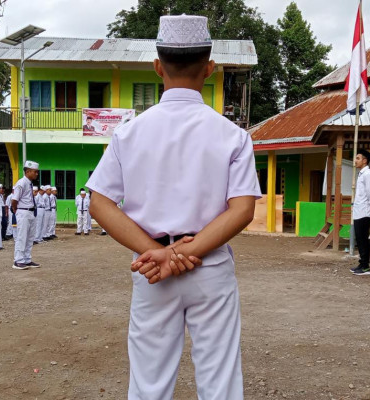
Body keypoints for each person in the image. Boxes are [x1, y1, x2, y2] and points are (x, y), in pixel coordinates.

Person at [87, 14, 261, 400]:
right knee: (220, 384)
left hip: (152, 271)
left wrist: (160, 254)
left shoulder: (129, 133)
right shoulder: (232, 136)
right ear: (210, 69)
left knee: (149, 384)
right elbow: (242, 209)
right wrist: (185, 252)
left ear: (157, 68)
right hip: (209, 265)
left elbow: (99, 203)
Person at [11, 161, 41, 270]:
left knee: (30, 237)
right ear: (28, 171)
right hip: (23, 212)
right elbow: (14, 200)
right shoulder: (21, 183)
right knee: (22, 237)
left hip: (30, 212)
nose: (36, 174)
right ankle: (18, 260)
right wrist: (16, 210)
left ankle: (27, 259)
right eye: (35, 172)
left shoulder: (29, 183)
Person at [350, 149, 370, 276]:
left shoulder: (367, 174)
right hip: (359, 212)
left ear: (365, 160)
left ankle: (365, 266)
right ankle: (362, 263)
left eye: (358, 158)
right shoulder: (361, 174)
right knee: (360, 239)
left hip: (364, 213)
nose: (355, 161)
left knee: (363, 240)